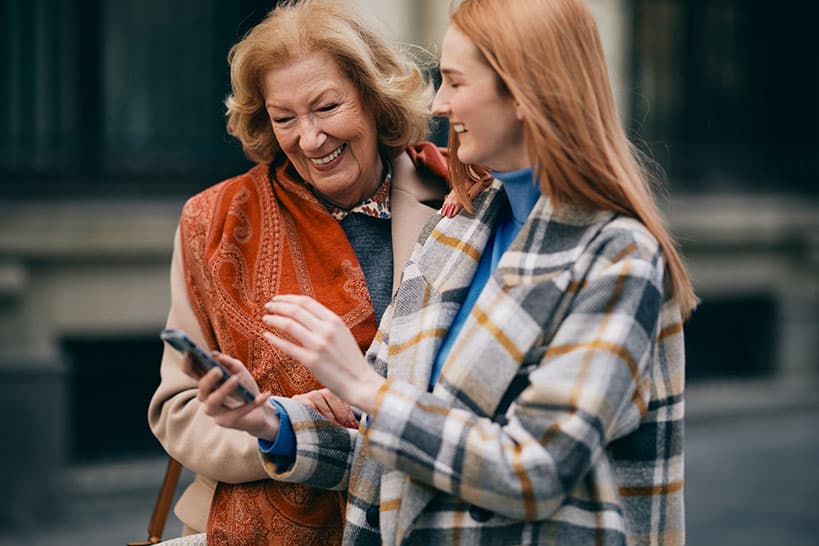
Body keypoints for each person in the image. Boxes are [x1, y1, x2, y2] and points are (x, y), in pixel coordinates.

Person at [192, 0, 698, 544]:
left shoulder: (617, 256)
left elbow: (535, 471)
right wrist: (271, 423)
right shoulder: (455, 229)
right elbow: (387, 446)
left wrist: (362, 386)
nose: (438, 102)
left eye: (455, 82)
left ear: (526, 92)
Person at [147, 0, 450, 543]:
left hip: (420, 520)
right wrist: (273, 424)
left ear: (374, 96)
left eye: (327, 107)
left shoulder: (458, 195)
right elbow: (177, 408)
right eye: (284, 118)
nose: (309, 139)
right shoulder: (213, 222)